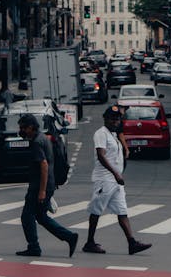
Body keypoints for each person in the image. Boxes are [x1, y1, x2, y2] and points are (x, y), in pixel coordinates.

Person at [82, 105, 152, 256]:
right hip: (105, 180)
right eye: (112, 118)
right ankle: (89, 242)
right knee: (96, 210)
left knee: (122, 211)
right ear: (105, 119)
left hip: (116, 181)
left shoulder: (113, 134)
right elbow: (101, 156)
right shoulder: (101, 134)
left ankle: (131, 243)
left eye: (117, 119)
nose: (115, 121)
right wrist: (115, 174)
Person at [16, 113, 78, 258]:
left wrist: (42, 191)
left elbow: (43, 165)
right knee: (41, 216)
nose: (21, 131)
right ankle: (69, 237)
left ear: (31, 127)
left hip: (39, 185)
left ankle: (34, 247)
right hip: (48, 183)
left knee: (27, 216)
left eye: (23, 128)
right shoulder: (43, 137)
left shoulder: (37, 142)